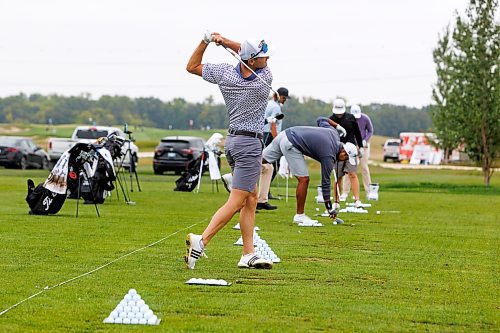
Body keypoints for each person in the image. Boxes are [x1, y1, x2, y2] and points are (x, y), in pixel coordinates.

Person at [184, 31, 274, 270]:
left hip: (233, 143)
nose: (268, 60)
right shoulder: (263, 79)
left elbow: (192, 66)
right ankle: (201, 241)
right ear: (252, 61)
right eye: (263, 57)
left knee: (251, 199)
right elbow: (243, 52)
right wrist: (226, 42)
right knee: (237, 201)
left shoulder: (224, 73)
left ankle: (248, 254)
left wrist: (206, 41)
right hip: (249, 146)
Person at [262, 116, 355, 224]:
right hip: (292, 144)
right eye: (346, 157)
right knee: (304, 179)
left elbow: (321, 120)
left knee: (257, 162)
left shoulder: (334, 133)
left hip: (285, 134)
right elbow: (325, 182)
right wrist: (329, 208)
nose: (345, 160)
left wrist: (337, 126)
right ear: (343, 152)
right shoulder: (329, 156)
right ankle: (299, 216)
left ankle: (237, 168)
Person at [257, 87, 289, 210]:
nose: (285, 100)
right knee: (271, 166)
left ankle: (264, 195)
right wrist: (277, 141)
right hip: (271, 136)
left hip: (266, 135)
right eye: (284, 97)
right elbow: (273, 125)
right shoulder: (275, 107)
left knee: (269, 166)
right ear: (279, 95)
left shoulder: (269, 104)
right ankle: (264, 194)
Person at [329, 98, 364, 208]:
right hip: (337, 151)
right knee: (338, 177)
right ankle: (336, 201)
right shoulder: (330, 120)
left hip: (351, 150)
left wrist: (361, 147)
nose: (339, 115)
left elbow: (357, 133)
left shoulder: (350, 118)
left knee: (352, 174)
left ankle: (357, 200)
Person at [341, 105, 373, 197]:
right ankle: (345, 192)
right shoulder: (347, 119)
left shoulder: (365, 118)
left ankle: (369, 191)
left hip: (364, 145)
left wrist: (365, 140)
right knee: (349, 168)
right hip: (351, 145)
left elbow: (370, 131)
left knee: (364, 168)